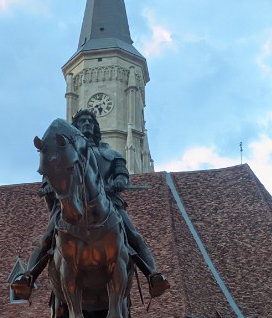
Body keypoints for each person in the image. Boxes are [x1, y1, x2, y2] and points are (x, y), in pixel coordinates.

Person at [12, 108, 169, 300]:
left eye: (90, 122)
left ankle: (153, 275)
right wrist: (48, 186)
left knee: (133, 234)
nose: (86, 124)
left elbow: (122, 175)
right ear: (74, 128)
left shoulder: (110, 154)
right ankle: (28, 277)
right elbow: (51, 172)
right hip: (71, 201)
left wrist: (118, 182)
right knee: (47, 237)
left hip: (109, 203)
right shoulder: (65, 154)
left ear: (95, 128)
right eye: (82, 122)